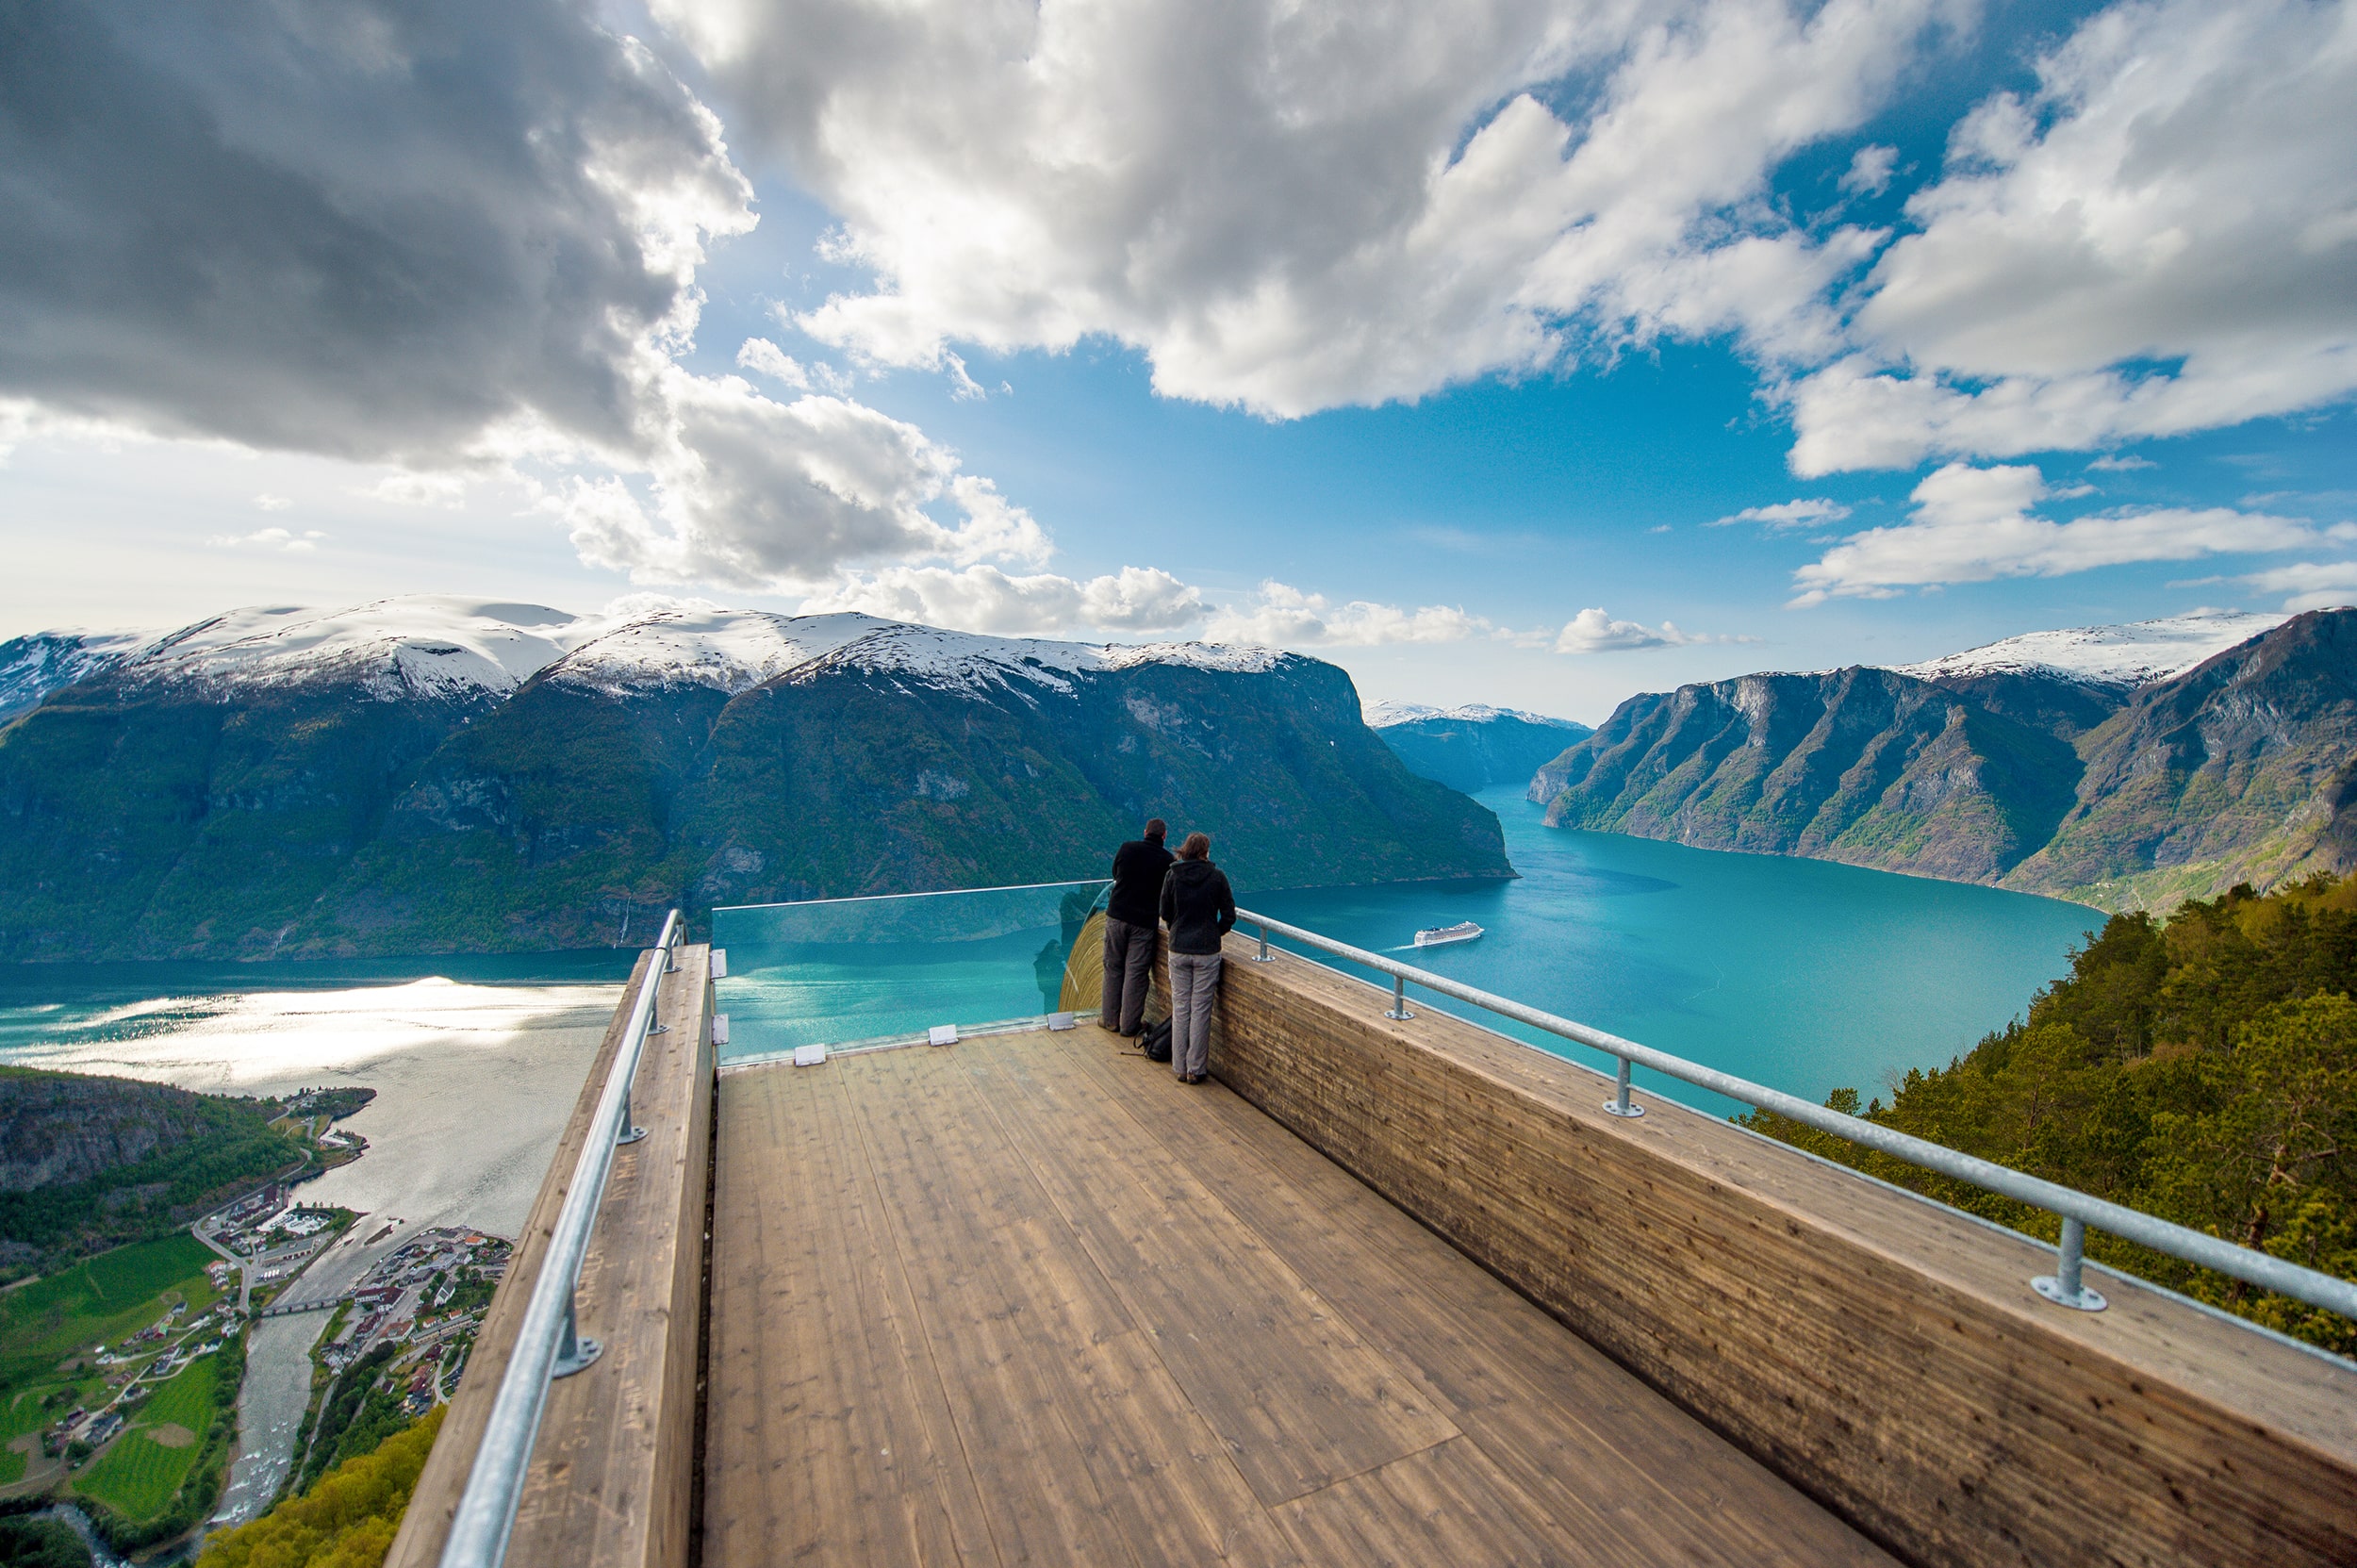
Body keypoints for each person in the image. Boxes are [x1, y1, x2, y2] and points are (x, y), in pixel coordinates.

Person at [1158, 832, 1235, 1083]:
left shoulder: (1172, 875)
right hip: (1206, 952)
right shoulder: (1217, 877)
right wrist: (1215, 932)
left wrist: (1176, 930)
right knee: (1201, 1010)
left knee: (1181, 1008)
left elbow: (1165, 911)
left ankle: (1179, 1067)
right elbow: (1229, 915)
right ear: (1205, 852)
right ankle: (1195, 1069)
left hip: (1178, 948)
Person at [1099, 817, 1173, 1036]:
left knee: (1112, 967)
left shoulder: (1127, 848)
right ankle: (1129, 1026)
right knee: (1136, 973)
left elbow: (1116, 874)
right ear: (1164, 836)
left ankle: (1110, 1020)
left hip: (1116, 915)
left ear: (1145, 832)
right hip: (1143, 923)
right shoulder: (1167, 860)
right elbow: (1166, 894)